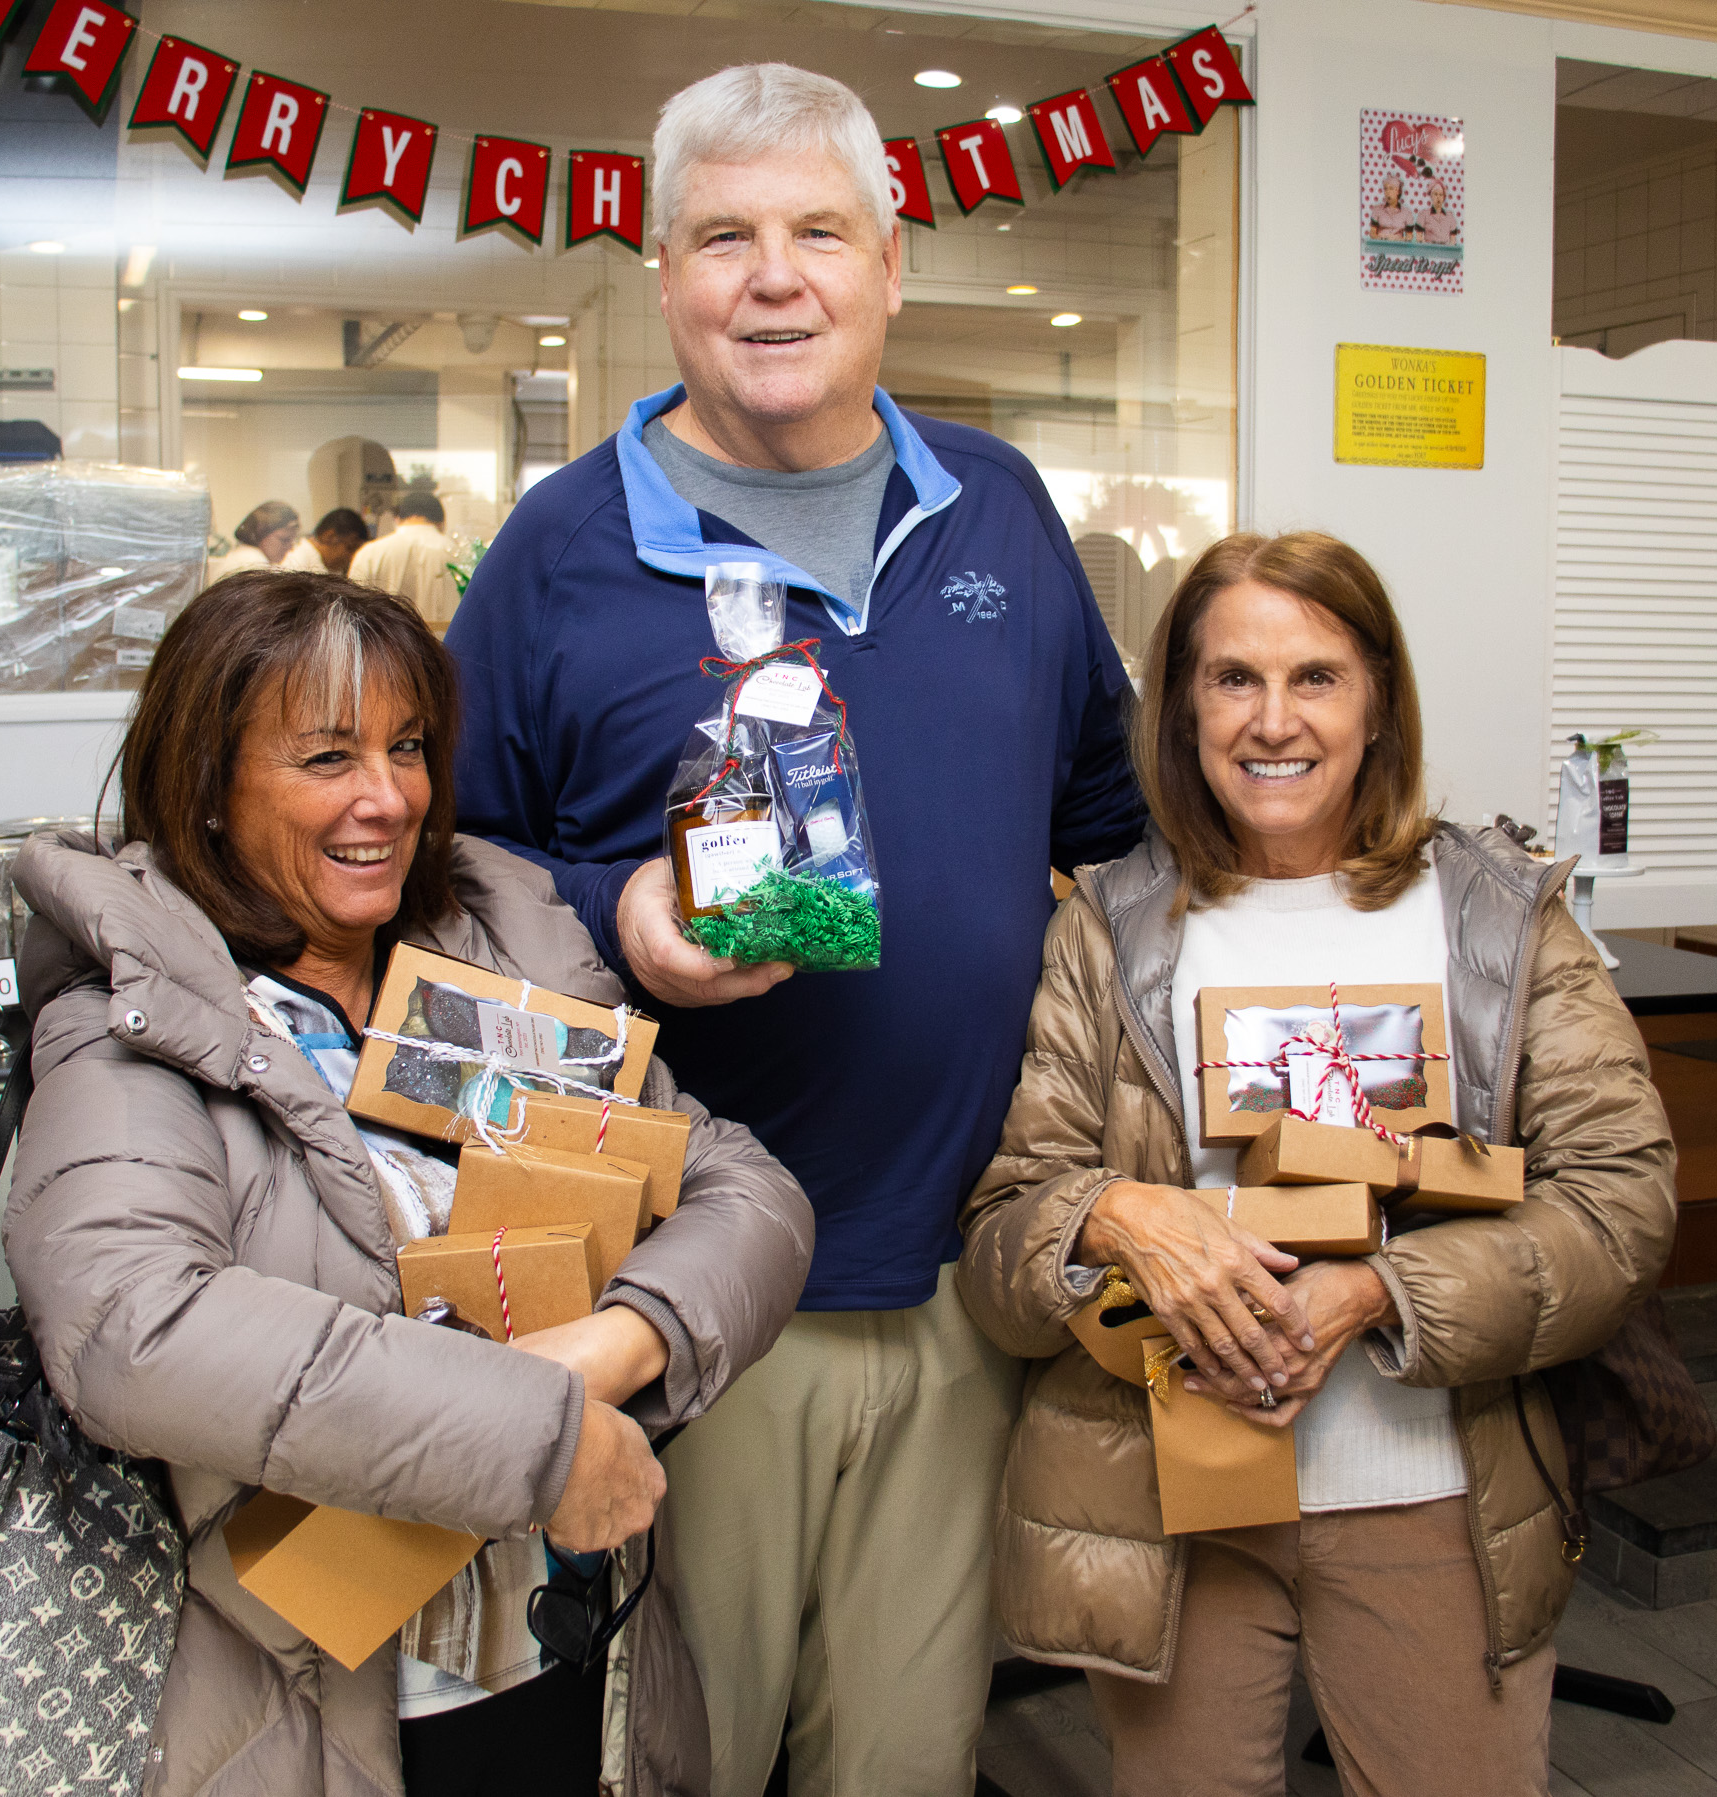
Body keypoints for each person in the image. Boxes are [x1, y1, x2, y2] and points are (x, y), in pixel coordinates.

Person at [446, 62, 1146, 1797]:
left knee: (903, 1761)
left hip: (968, 1277)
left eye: (817, 232)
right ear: (663, 275)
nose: (775, 277)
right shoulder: (557, 553)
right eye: (724, 238)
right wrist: (617, 919)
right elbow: (441, 892)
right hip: (683, 1296)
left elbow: (1112, 836)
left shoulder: (994, 508)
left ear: (890, 267)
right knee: (680, 1760)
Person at [2, 570, 814, 1797]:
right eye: (326, 757)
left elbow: (740, 1190)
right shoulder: (134, 1022)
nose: (386, 797)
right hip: (323, 1706)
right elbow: (133, 1331)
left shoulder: (498, 952)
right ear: (209, 786)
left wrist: (607, 1349)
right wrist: (536, 1435)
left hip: (569, 1653)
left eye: (408, 747)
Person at [955, 531, 1676, 1797]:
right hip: (1177, 1507)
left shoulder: (1496, 919)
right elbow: (1005, 1245)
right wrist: (1118, 1217)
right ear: (1181, 705)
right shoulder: (1105, 929)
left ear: (1377, 700)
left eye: (1314, 678)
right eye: (1231, 678)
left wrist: (1375, 1294)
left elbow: (1619, 1204)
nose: (1270, 720)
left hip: (1432, 1504)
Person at [351, 489, 462, 629]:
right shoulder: (457, 554)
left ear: (397, 520)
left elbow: (354, 615)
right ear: (441, 523)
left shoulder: (369, 554)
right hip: (443, 646)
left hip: (386, 647)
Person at [212, 499, 301, 579]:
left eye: (292, 541)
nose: (290, 548)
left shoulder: (245, 554)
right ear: (261, 533)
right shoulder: (252, 562)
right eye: (284, 540)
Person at [282, 505, 373, 575]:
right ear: (329, 536)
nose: (352, 557)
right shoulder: (297, 565)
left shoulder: (327, 568)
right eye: (350, 548)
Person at [1366, 171, 1416, 240]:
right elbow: (1372, 233)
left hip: (1399, 247)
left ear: (1398, 191)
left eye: (1391, 188)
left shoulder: (1407, 213)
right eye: (1386, 189)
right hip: (1380, 246)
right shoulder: (1377, 209)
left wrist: (1398, 240)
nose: (1388, 192)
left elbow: (1409, 236)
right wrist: (1381, 238)